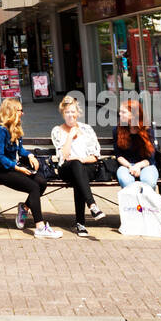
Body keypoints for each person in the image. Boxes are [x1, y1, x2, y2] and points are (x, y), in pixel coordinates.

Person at [0, 98, 61, 238]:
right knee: (33, 187)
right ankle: (40, 227)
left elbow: (20, 150)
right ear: (12, 111)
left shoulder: (15, 126)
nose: (23, 113)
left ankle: (24, 208)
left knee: (41, 182)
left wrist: (30, 156)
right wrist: (17, 168)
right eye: (20, 110)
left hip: (11, 167)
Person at [51, 95, 106, 237]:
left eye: (73, 112)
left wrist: (80, 159)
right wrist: (70, 136)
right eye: (67, 112)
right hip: (66, 168)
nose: (70, 115)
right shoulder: (57, 131)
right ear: (63, 114)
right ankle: (92, 206)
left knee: (79, 174)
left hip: (87, 166)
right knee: (75, 166)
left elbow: (95, 155)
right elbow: (63, 155)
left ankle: (81, 224)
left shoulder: (87, 129)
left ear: (78, 113)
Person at [115, 101, 159, 191]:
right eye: (120, 111)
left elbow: (151, 156)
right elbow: (118, 155)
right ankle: (133, 205)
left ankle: (147, 204)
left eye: (123, 112)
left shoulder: (147, 130)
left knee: (148, 181)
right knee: (126, 181)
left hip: (146, 165)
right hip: (126, 165)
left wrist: (138, 166)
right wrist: (130, 167)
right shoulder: (118, 129)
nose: (120, 114)